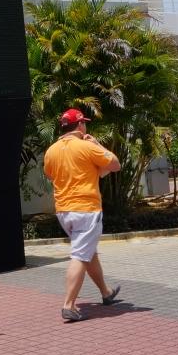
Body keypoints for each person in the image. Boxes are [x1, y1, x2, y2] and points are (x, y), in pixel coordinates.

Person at [43, 108, 123, 323]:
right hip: (86, 210)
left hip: (64, 211)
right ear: (80, 125)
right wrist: (98, 145)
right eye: (84, 123)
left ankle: (106, 292)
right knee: (80, 255)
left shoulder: (51, 150)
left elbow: (50, 174)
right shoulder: (87, 146)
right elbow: (115, 164)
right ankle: (69, 305)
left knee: (88, 251)